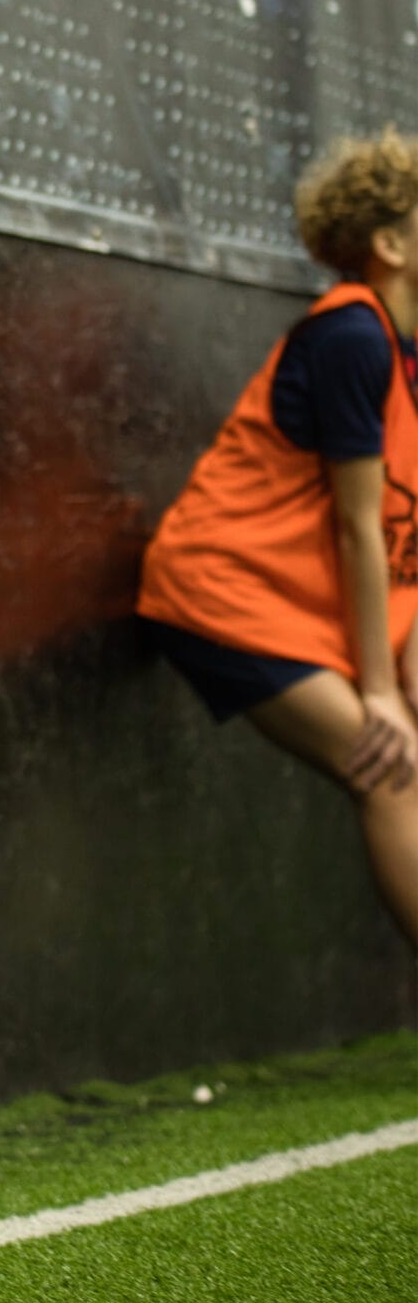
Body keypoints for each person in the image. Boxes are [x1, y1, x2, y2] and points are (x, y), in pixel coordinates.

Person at [138, 130, 418, 948]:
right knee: (394, 775)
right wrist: (376, 691)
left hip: (312, 608)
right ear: (390, 243)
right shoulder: (352, 338)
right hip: (222, 594)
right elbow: (357, 525)